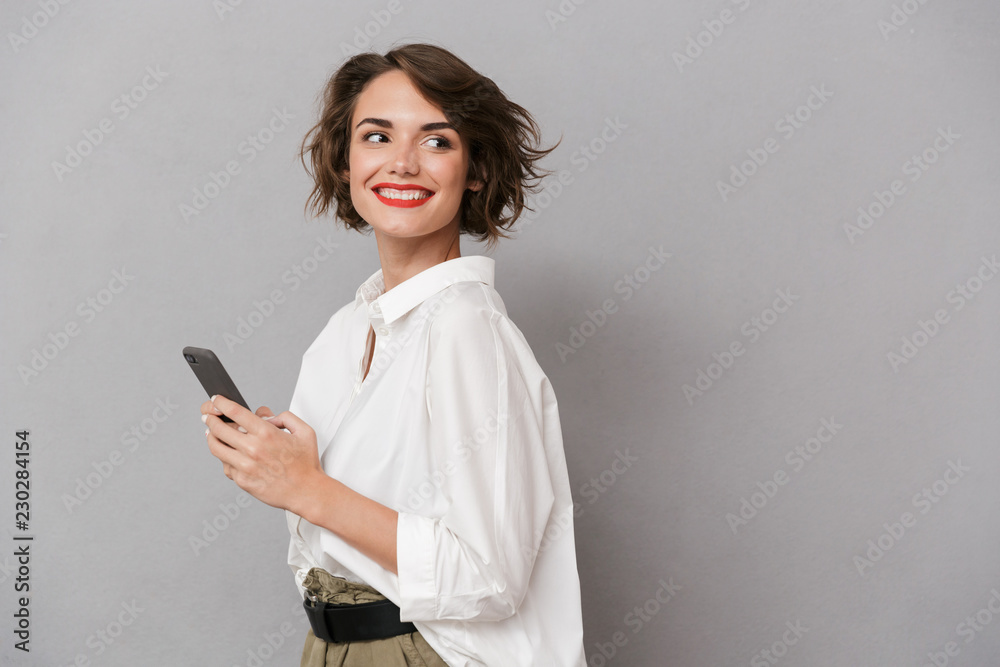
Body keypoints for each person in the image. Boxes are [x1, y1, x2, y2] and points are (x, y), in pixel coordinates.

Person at [201, 42, 586, 666]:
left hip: (428, 652)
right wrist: (278, 464)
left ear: (477, 171)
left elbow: (488, 577)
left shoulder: (466, 329)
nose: (402, 163)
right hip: (332, 645)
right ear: (346, 162)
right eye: (377, 137)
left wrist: (304, 487)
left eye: (437, 141)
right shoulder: (345, 331)